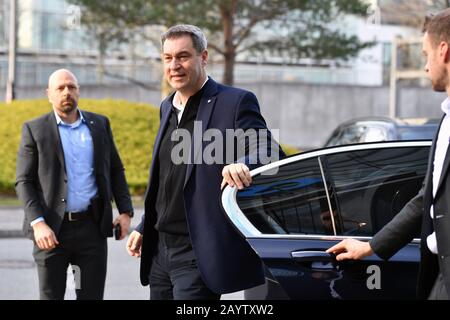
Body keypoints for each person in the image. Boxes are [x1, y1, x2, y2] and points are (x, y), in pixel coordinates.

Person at [126, 24, 284, 299]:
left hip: (197, 251)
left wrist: (243, 163)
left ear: (204, 57)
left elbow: (267, 149)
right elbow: (169, 178)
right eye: (167, 58)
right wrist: (145, 225)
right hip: (160, 252)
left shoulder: (234, 102)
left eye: (183, 56)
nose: (174, 65)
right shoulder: (167, 107)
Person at [327, 9, 450, 300]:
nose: (425, 66)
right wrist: (371, 246)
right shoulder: (446, 119)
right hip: (440, 279)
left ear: (443, 51)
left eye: (425, 54)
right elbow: (426, 199)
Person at [16, 69, 134, 300]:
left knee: (90, 296)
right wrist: (38, 223)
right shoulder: (35, 129)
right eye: (60, 88)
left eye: (71, 87)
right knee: (52, 297)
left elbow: (115, 169)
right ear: (49, 94)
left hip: (92, 229)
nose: (66, 92)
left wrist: (126, 211)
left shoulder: (99, 124)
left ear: (78, 90)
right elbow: (24, 180)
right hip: (51, 231)